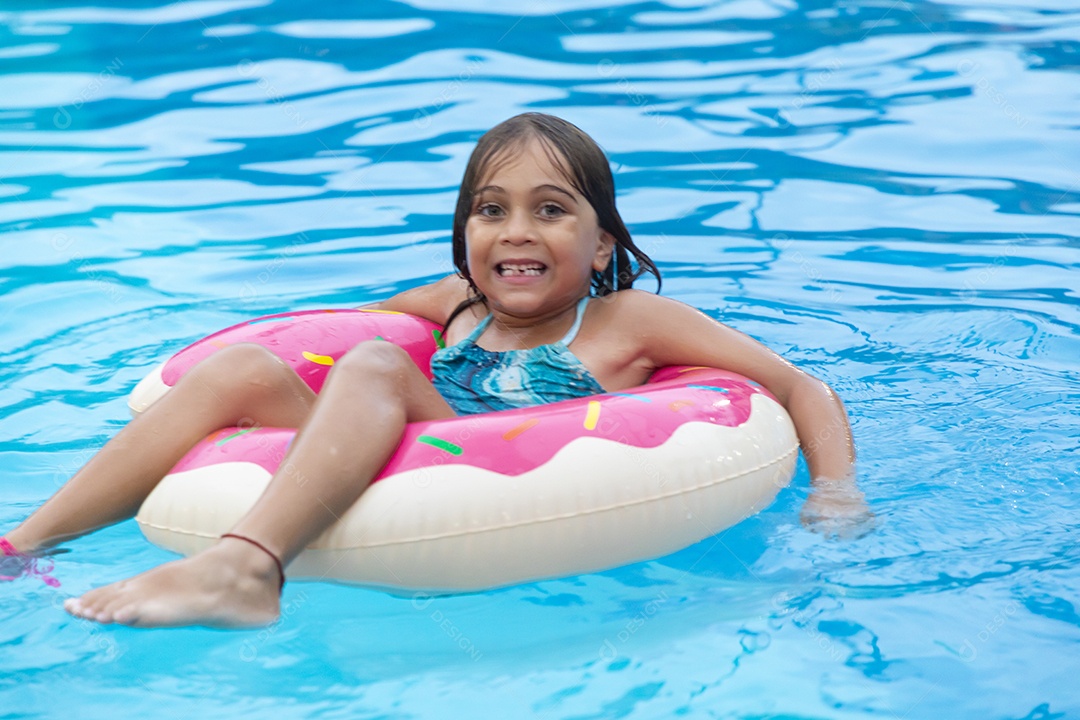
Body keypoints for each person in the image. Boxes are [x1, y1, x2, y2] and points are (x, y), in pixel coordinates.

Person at [0, 113, 871, 628]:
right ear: (465, 236)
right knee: (240, 369)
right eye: (490, 211)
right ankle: (23, 546)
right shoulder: (455, 305)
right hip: (414, 440)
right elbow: (341, 337)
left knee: (378, 365)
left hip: (507, 468)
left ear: (603, 240)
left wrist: (835, 489)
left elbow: (801, 388)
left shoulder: (623, 322)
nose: (516, 231)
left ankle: (245, 568)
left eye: (552, 210)